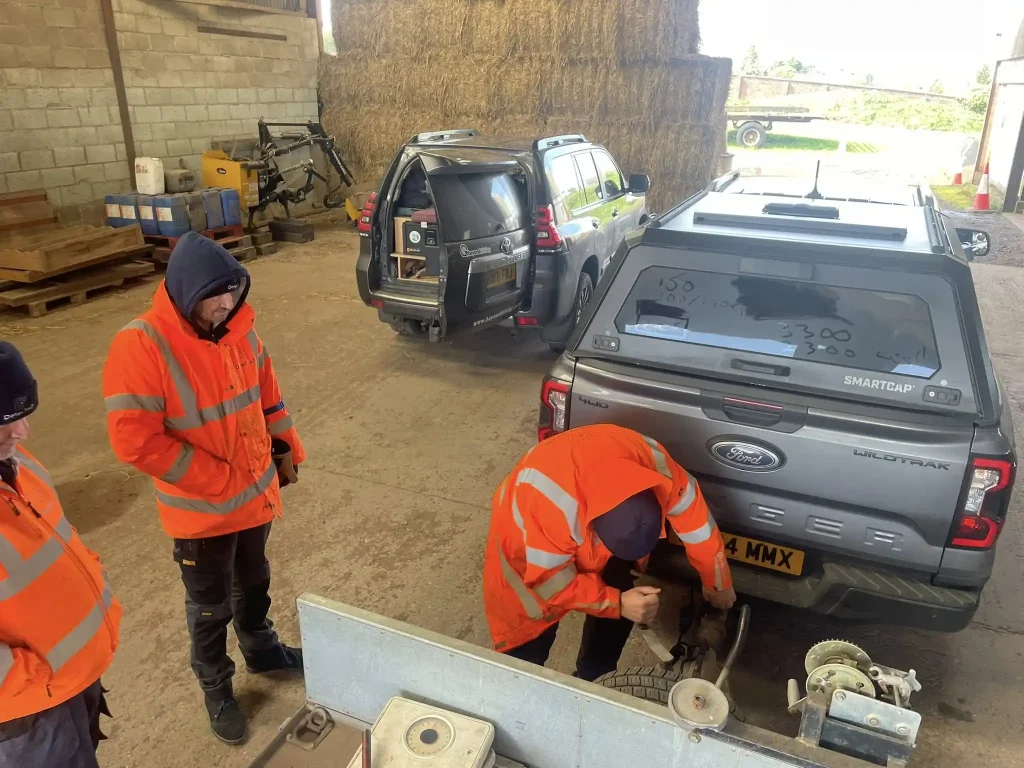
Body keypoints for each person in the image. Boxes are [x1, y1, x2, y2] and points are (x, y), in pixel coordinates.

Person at [101, 231, 306, 745]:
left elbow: (269, 398)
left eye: (234, 291)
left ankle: (261, 647)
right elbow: (136, 442)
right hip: (202, 512)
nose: (228, 304)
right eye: (217, 295)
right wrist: (217, 480)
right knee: (210, 607)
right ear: (188, 292)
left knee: (254, 581)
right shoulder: (142, 344)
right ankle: (217, 687)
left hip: (255, 496)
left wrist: (286, 451)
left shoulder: (241, 330)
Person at [483, 424, 735, 680]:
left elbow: (699, 527)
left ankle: (596, 680)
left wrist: (717, 583)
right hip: (525, 555)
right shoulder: (546, 506)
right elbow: (550, 583)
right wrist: (617, 603)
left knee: (624, 591)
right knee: (525, 652)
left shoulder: (661, 472)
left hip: (582, 490)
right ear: (592, 528)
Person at [0, 341, 121, 767]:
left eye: (22, 415)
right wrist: (37, 676)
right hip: (27, 714)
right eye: (4, 423)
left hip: (70, 677)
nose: (22, 433)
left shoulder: (20, 464)